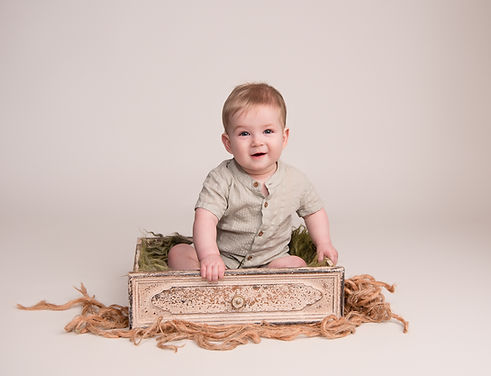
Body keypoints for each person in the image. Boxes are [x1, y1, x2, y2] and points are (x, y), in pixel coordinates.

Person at [167, 83, 338, 281]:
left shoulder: (295, 180)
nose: (257, 141)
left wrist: (324, 242)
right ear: (228, 143)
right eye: (244, 134)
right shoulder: (221, 178)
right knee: (178, 253)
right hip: (223, 257)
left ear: (284, 137)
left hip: (272, 259)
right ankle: (206, 281)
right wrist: (209, 255)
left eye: (267, 131)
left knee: (295, 264)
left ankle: (265, 277)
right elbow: (205, 218)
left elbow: (314, 211)